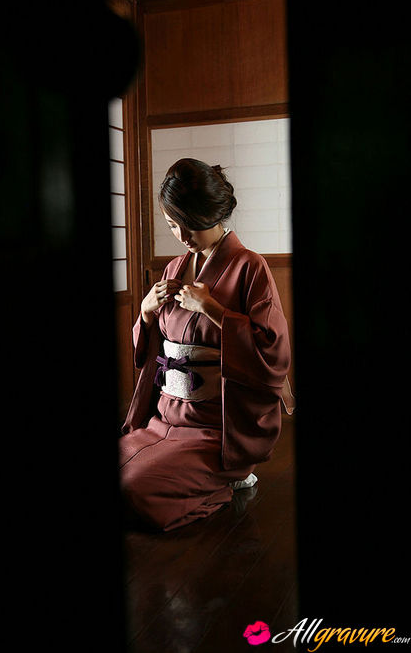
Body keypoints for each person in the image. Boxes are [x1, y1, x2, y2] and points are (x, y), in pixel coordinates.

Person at [120, 158, 291, 531]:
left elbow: (272, 351)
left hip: (218, 428)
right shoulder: (173, 269)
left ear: (212, 213)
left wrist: (212, 309)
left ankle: (226, 480)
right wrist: (146, 312)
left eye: (190, 224)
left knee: (135, 489)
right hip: (165, 417)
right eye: (172, 225)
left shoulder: (250, 267)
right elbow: (154, 346)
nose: (182, 236)